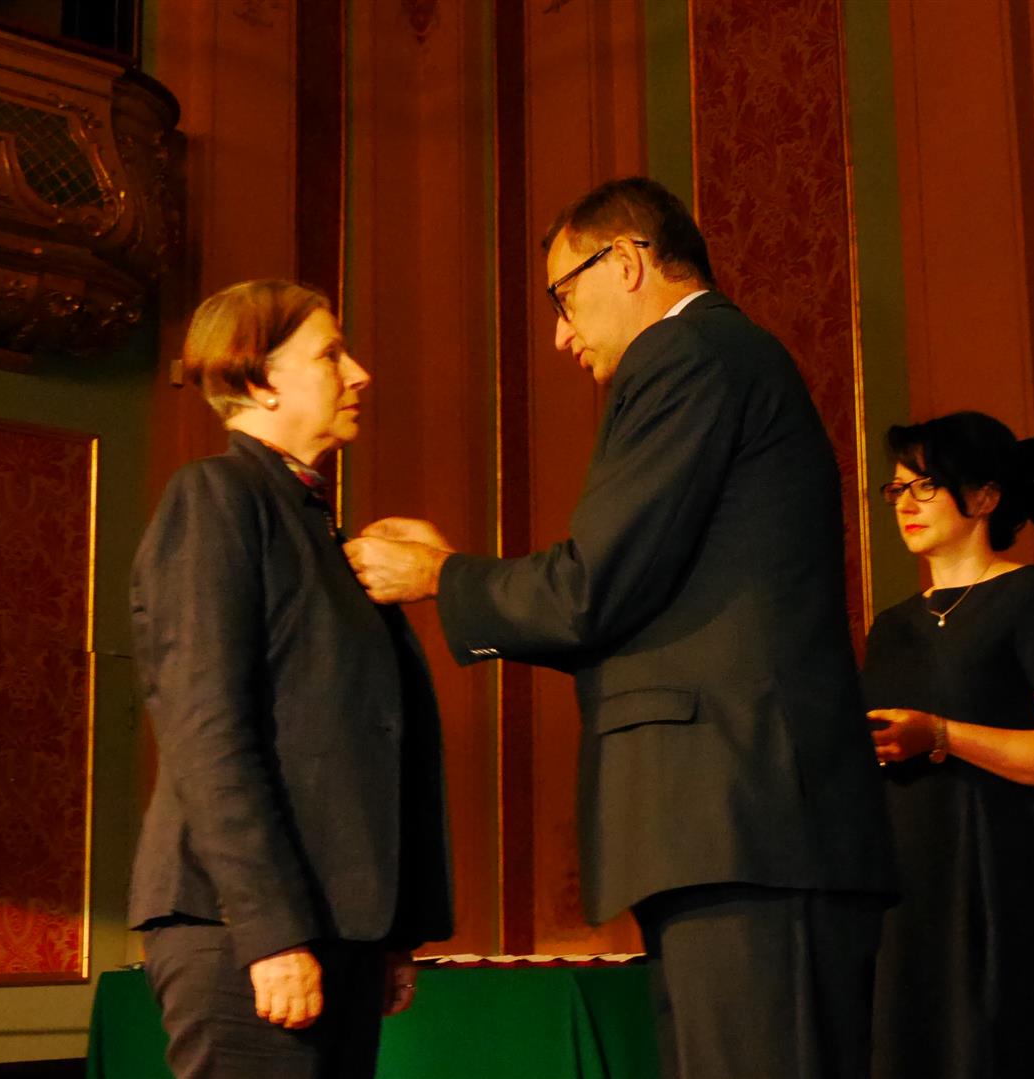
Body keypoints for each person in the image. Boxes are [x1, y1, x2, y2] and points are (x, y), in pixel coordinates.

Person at [344, 177, 895, 1079]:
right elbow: (648, 609)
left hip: (744, 821)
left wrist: (440, 576)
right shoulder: (719, 359)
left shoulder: (689, 354)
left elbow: (594, 587)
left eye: (563, 297)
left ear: (629, 262)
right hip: (738, 826)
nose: (562, 334)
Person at [128, 279, 452, 1079]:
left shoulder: (316, 527)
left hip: (335, 931)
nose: (360, 372)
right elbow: (207, 729)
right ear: (259, 379)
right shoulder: (215, 496)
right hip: (243, 929)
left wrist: (391, 934)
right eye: (331, 354)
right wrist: (270, 931)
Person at [862, 411, 1034, 1079]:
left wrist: (941, 734)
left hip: (997, 865)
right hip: (905, 874)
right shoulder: (891, 627)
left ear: (986, 495)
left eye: (926, 486)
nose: (905, 504)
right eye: (896, 489)